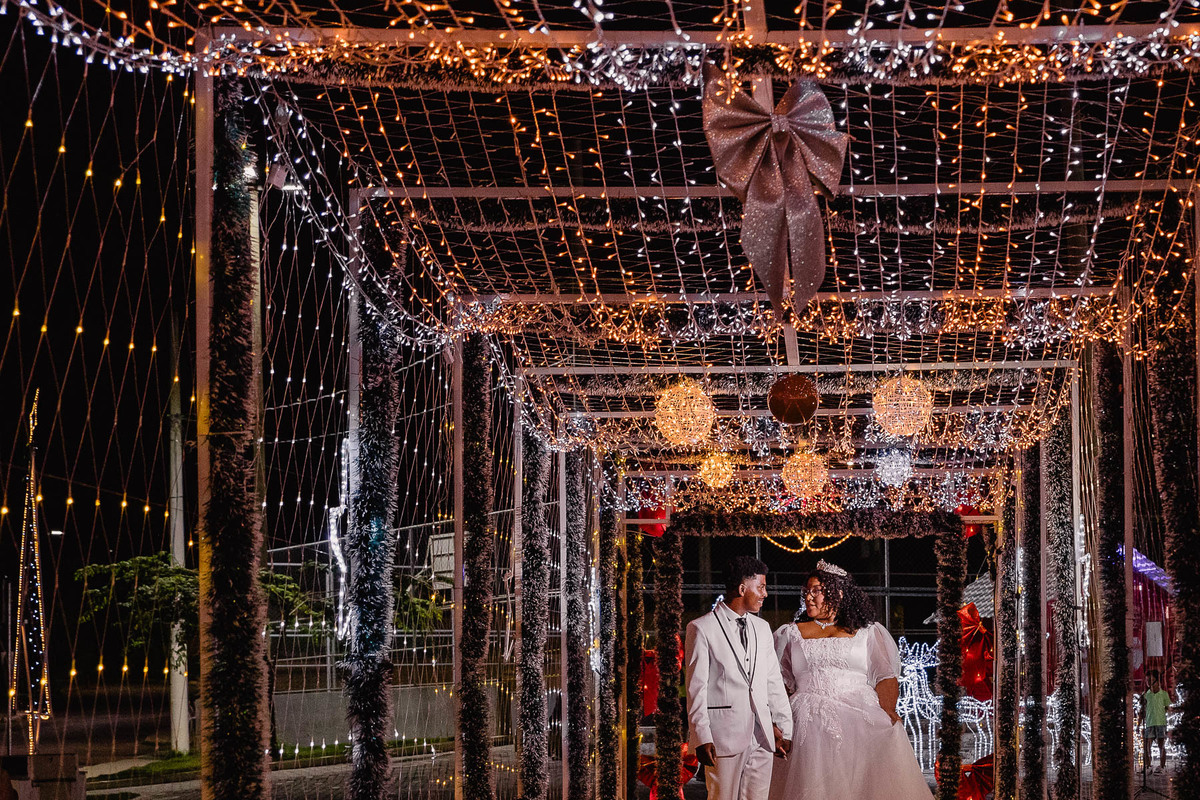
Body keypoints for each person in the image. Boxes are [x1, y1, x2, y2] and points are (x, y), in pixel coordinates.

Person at [769, 559, 932, 800]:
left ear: (839, 594)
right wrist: (776, 721)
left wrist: (887, 710)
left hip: (858, 716)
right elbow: (777, 682)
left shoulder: (868, 631)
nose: (809, 597)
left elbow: (886, 676)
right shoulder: (789, 633)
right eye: (807, 591)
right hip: (806, 721)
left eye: (816, 591)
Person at [686, 555, 793, 800]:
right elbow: (696, 688)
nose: (765, 593)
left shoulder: (762, 628)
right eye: (761, 587)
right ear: (743, 588)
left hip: (762, 737)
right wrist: (702, 736)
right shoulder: (702, 628)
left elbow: (772, 680)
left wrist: (785, 728)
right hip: (723, 736)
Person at [1139, 668, 1173, 773]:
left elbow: (1168, 708)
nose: (1148, 683)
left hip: (1161, 723)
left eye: (1150, 681)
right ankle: (1148, 766)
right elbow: (1142, 711)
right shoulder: (1146, 695)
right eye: (1147, 681)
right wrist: (1139, 724)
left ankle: (1161, 767)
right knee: (1147, 746)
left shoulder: (1164, 694)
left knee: (1161, 746)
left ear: (1157, 681)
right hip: (1149, 723)